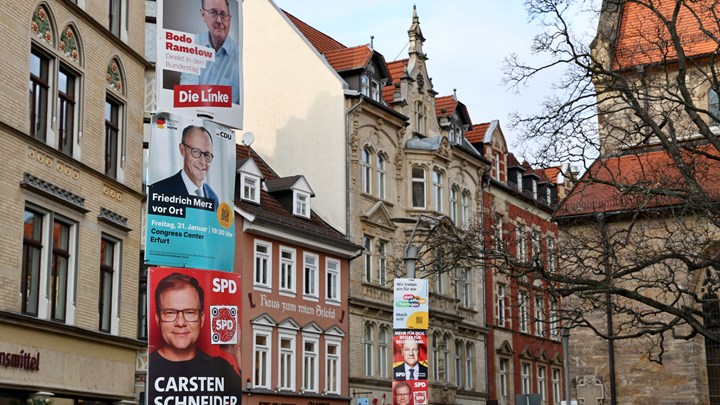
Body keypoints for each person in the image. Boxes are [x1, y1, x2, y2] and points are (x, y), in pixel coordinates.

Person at [147, 272, 243, 405]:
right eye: (170, 313)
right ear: (158, 319)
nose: (180, 322)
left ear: (202, 319)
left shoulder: (220, 368)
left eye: (189, 312)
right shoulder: (147, 367)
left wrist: (237, 351)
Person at [180, 0, 240, 104]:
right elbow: (187, 99)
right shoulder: (191, 46)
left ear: (229, 19)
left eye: (223, 14)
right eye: (213, 12)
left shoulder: (240, 56)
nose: (219, 20)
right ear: (203, 15)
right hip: (195, 119)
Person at [149, 125, 220, 211]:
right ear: (182, 150)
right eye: (196, 152)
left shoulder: (213, 198)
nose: (202, 161)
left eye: (207, 155)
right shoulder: (159, 191)